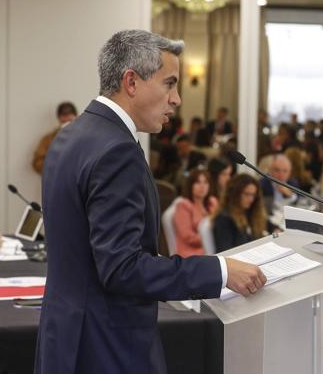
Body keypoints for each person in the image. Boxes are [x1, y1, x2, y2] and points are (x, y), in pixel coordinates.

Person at [35, 30, 266, 374]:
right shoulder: (118, 151)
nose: (176, 99)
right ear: (131, 81)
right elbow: (122, 268)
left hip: (64, 335)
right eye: (169, 84)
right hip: (107, 348)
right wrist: (220, 271)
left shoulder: (71, 134)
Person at [212, 174, 270, 253]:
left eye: (253, 195)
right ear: (234, 194)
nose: (251, 199)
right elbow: (225, 252)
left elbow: (267, 223)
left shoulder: (249, 211)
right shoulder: (224, 219)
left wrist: (276, 229)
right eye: (246, 194)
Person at [173, 169, 218, 257]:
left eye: (205, 182)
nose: (202, 186)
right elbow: (188, 237)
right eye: (198, 182)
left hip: (213, 249)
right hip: (191, 254)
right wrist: (214, 238)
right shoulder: (183, 205)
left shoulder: (212, 202)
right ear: (190, 185)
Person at [32, 102, 77, 174]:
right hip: (56, 181)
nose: (67, 119)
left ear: (76, 116)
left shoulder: (85, 137)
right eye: (63, 115)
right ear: (59, 118)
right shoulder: (48, 139)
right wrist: (54, 166)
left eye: (69, 115)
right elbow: (37, 162)